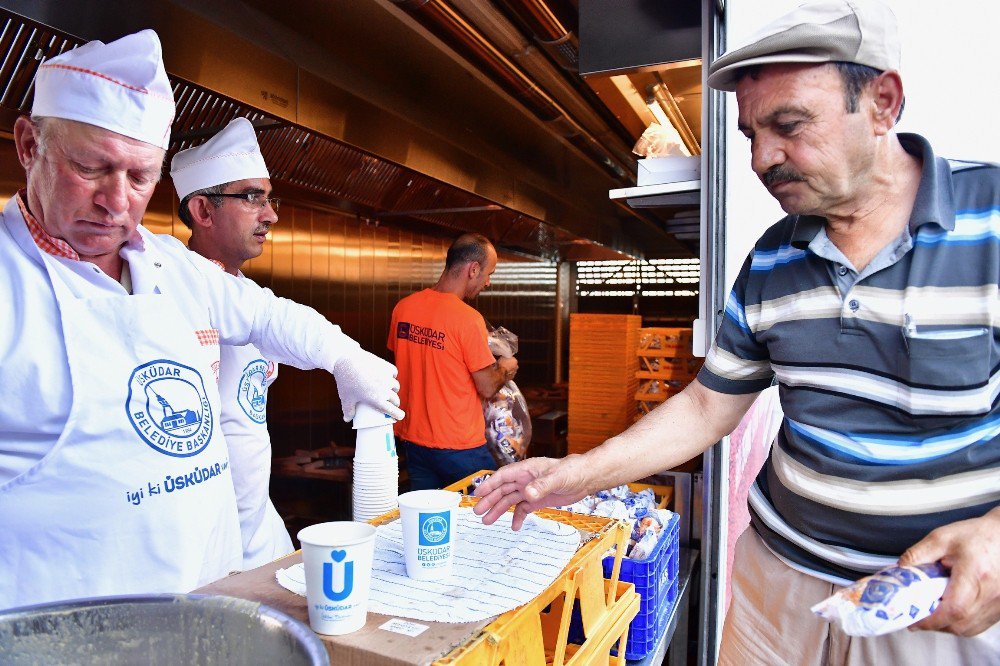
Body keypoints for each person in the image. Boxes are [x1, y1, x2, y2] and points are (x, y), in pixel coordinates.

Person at [474, 2, 1000, 663]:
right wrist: (580, 473)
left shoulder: (991, 224)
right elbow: (704, 405)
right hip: (775, 590)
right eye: (751, 132)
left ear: (882, 103)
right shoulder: (773, 258)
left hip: (927, 607)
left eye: (787, 125)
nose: (761, 158)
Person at [0, 30, 402, 610]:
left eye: (140, 178)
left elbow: (270, 314)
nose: (116, 203)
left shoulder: (171, 264)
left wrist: (344, 358)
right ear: (29, 144)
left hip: (215, 607)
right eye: (90, 168)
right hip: (78, 637)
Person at [170, 117, 293, 569]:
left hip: (263, 537)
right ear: (203, 211)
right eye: (251, 197)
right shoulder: (168, 300)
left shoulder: (253, 301)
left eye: (269, 198)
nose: (271, 215)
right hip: (206, 554)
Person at [388, 233, 518, 490]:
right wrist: (505, 367)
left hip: (414, 442)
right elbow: (487, 386)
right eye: (488, 273)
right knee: (486, 519)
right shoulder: (468, 319)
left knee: (429, 520)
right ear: (473, 269)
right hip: (460, 447)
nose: (488, 282)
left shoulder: (403, 308)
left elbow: (409, 364)